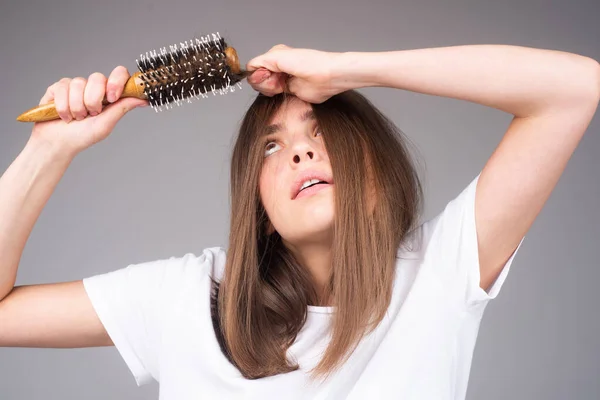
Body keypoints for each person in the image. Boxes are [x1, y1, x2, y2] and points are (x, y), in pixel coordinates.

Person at [0, 44, 598, 399]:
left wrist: (349, 69)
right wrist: (47, 152)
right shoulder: (185, 298)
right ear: (257, 208)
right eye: (271, 145)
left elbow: (574, 87)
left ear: (375, 172)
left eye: (322, 134)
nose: (301, 153)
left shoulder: (441, 273)